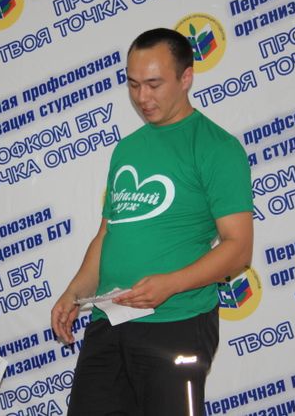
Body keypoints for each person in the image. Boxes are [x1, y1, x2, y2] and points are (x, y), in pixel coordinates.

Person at [50, 28, 254, 415]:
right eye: (133, 84)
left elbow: (238, 249)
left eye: (154, 84)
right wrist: (74, 292)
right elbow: (107, 234)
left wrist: (169, 285)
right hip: (110, 320)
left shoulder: (217, 149)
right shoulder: (126, 149)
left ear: (186, 77)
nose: (142, 97)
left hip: (177, 322)